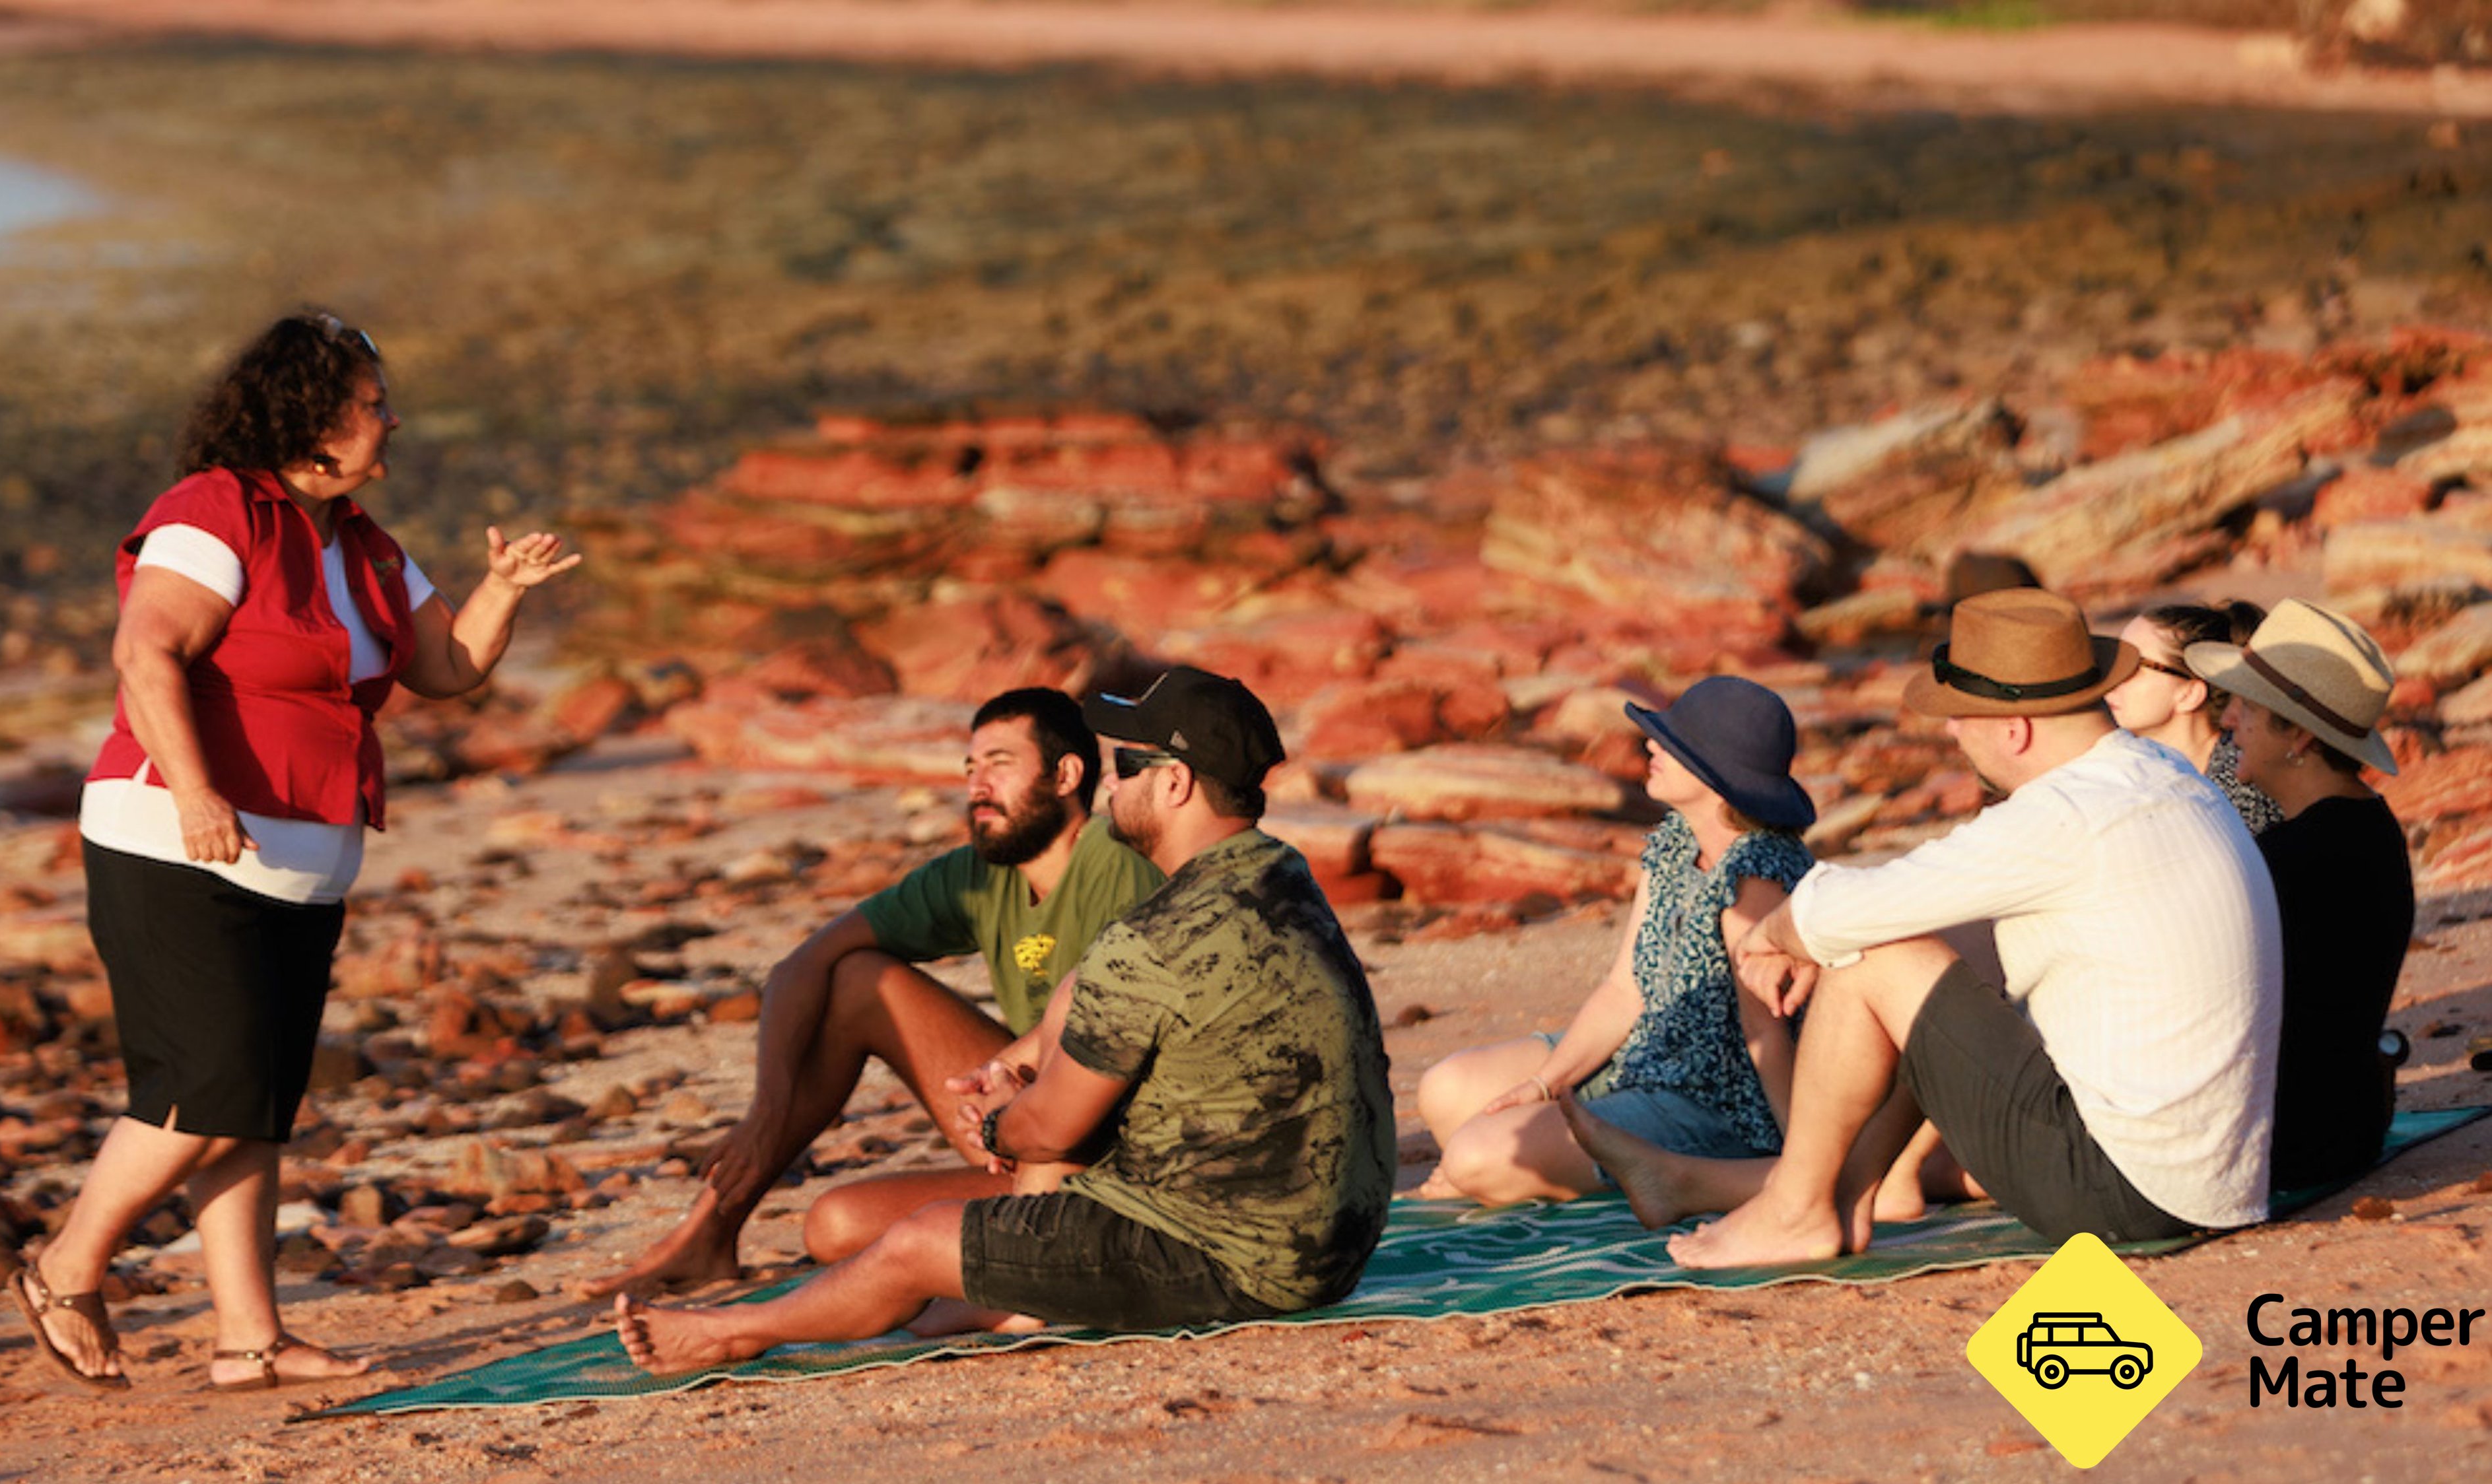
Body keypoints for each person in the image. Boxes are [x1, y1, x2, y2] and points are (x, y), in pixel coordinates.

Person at [12, 311, 582, 1390]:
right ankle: (65, 1266)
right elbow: (147, 652)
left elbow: (448, 669)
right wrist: (194, 791)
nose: (391, 417)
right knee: (207, 1086)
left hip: (303, 862)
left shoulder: (364, 543)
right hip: (177, 842)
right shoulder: (217, 510)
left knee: (256, 1104)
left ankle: (249, 1339)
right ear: (313, 419)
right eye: (372, 402)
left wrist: (504, 589)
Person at [615, 667, 1396, 1371]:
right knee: (930, 1292)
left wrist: (996, 1120)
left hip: (1233, 1260)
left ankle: (730, 1333)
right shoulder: (1282, 876)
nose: (1110, 785)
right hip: (1333, 1244)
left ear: (1176, 785)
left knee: (917, 1244)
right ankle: (1018, 1285)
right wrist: (1018, 1061)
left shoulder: (1153, 934)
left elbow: (1050, 1133)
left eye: (1127, 767)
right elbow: (1089, 993)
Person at [1651, 588, 2278, 1269]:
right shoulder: (2156, 774)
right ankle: (1853, 1193)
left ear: (2015, 731)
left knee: (1876, 959)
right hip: (2213, 1182)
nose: (1950, 733)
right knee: (1937, 940)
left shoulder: (2064, 813)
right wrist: (1822, 932)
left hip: (2120, 1189)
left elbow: (1846, 907)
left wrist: (1773, 934)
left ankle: (1793, 1208)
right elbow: (1920, 903)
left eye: (1959, 718)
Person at [582, 689, 1164, 1300]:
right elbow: (801, 966)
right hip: (1020, 1115)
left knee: (835, 1227)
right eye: (969, 768)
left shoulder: (1115, 862)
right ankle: (710, 1232)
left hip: (1104, 1150)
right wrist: (766, 1113)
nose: (976, 785)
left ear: (1066, 773)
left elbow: (1107, 1015)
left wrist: (1005, 1073)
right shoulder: (978, 875)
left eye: (998, 763)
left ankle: (1035, 1237)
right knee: (858, 979)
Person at [1414, 676, 1813, 1207]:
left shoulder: (1755, 875)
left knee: (1476, 1159)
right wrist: (1543, 1085)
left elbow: (1764, 1029)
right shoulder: (1675, 843)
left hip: (1716, 1103)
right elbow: (1625, 992)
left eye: (1672, 743)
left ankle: (1717, 1172)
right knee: (1445, 1092)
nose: (1651, 745)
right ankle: (1570, 1162)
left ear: (1717, 775)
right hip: (1643, 1056)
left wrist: (1805, 1154)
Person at [2189, 599, 2413, 1190]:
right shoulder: (2366, 827)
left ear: (2300, 737)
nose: (2228, 720)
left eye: (2245, 706)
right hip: (2345, 1128)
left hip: (2280, 1146)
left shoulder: (2300, 856)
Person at [2104, 599, 2282, 834]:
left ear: (2190, 694)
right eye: (2117, 660)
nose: (2114, 677)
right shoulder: (2126, 767)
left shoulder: (2241, 795)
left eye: (2135, 666)